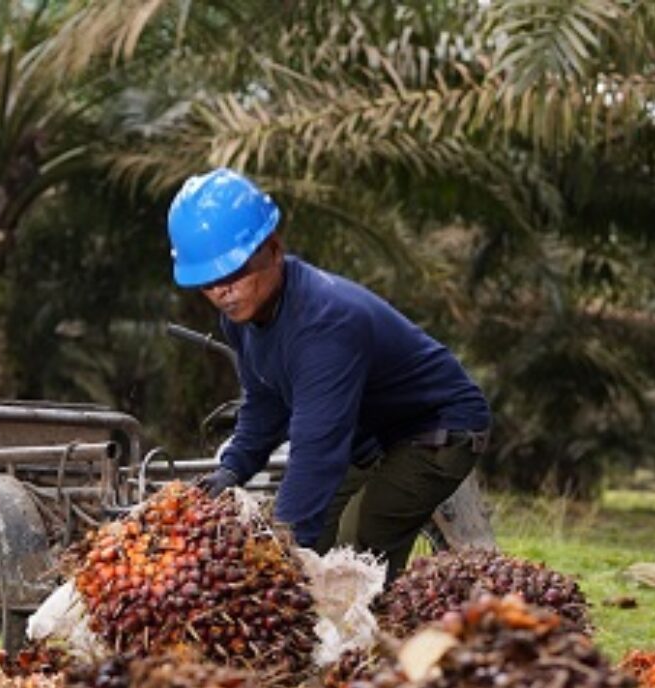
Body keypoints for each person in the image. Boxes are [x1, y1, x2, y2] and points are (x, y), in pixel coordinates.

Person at [167, 167, 491, 582]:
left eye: (234, 273)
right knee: (308, 544)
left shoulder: (324, 323)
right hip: (368, 433)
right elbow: (264, 403)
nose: (221, 292)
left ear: (274, 249)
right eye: (208, 282)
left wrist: (276, 558)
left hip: (438, 428)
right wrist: (232, 468)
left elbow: (317, 454)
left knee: (355, 552)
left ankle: (376, 637)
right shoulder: (242, 320)